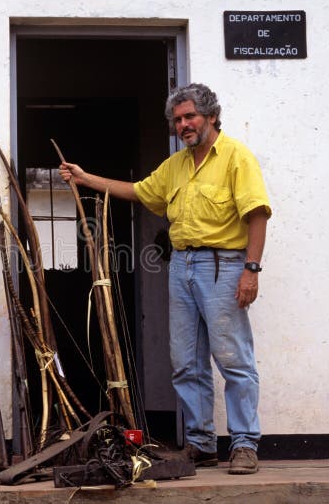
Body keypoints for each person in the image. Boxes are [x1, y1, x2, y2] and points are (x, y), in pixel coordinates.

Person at [59, 83, 271, 475]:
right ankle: (202, 443)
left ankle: (243, 444)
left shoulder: (236, 157)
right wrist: (86, 178)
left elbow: (257, 214)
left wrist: (251, 270)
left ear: (210, 116)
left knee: (233, 359)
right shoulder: (176, 165)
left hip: (224, 266)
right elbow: (139, 192)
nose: (184, 125)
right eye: (177, 120)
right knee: (185, 362)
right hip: (181, 266)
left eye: (190, 116)